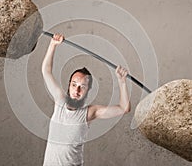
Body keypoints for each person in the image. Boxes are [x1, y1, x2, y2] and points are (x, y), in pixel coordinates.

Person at [42, 33, 131, 166]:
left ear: (88, 91)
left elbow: (124, 108)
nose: (76, 91)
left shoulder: (90, 112)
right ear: (69, 85)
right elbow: (46, 70)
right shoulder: (59, 100)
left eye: (82, 87)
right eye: (74, 85)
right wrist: (52, 45)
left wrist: (122, 81)